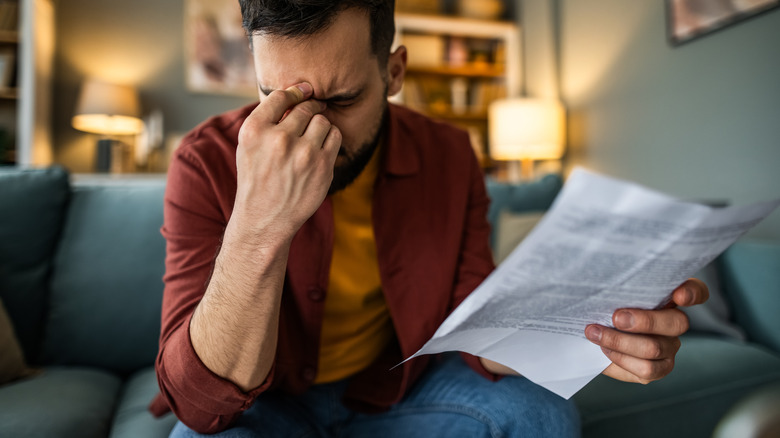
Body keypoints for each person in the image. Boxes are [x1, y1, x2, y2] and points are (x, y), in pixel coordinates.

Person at [151, 1, 709, 437]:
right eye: (279, 96)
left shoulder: (448, 155)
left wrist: (593, 340)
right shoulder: (203, 161)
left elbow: (474, 321)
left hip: (399, 390)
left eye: (342, 100)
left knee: (542, 415)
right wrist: (258, 223)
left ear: (394, 72)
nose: (312, 134)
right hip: (267, 405)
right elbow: (200, 405)